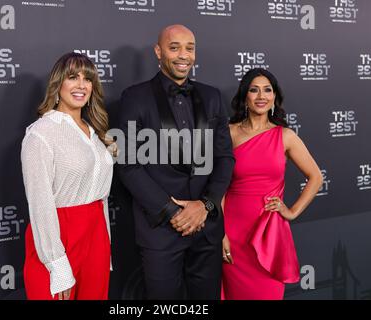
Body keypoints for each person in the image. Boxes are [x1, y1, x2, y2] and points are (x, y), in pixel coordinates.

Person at [117, 24, 234, 299]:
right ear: (158, 52)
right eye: (174, 47)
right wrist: (173, 212)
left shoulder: (212, 96)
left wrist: (204, 206)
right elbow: (129, 165)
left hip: (207, 229)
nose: (184, 55)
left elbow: (225, 158)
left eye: (189, 48)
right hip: (160, 229)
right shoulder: (135, 97)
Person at [221, 68, 323, 300]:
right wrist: (220, 234)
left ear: (275, 97)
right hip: (233, 234)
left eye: (268, 90)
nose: (261, 96)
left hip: (269, 235)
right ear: (244, 96)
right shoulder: (229, 133)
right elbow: (219, 186)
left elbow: (316, 177)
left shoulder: (285, 136)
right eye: (254, 90)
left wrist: (291, 211)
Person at [21, 52, 115, 300]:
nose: (81, 85)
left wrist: (104, 247)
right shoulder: (40, 134)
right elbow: (41, 203)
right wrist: (57, 264)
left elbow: (101, 198)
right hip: (58, 236)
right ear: (58, 83)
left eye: (88, 78)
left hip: (96, 237)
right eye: (73, 77)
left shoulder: (96, 133)